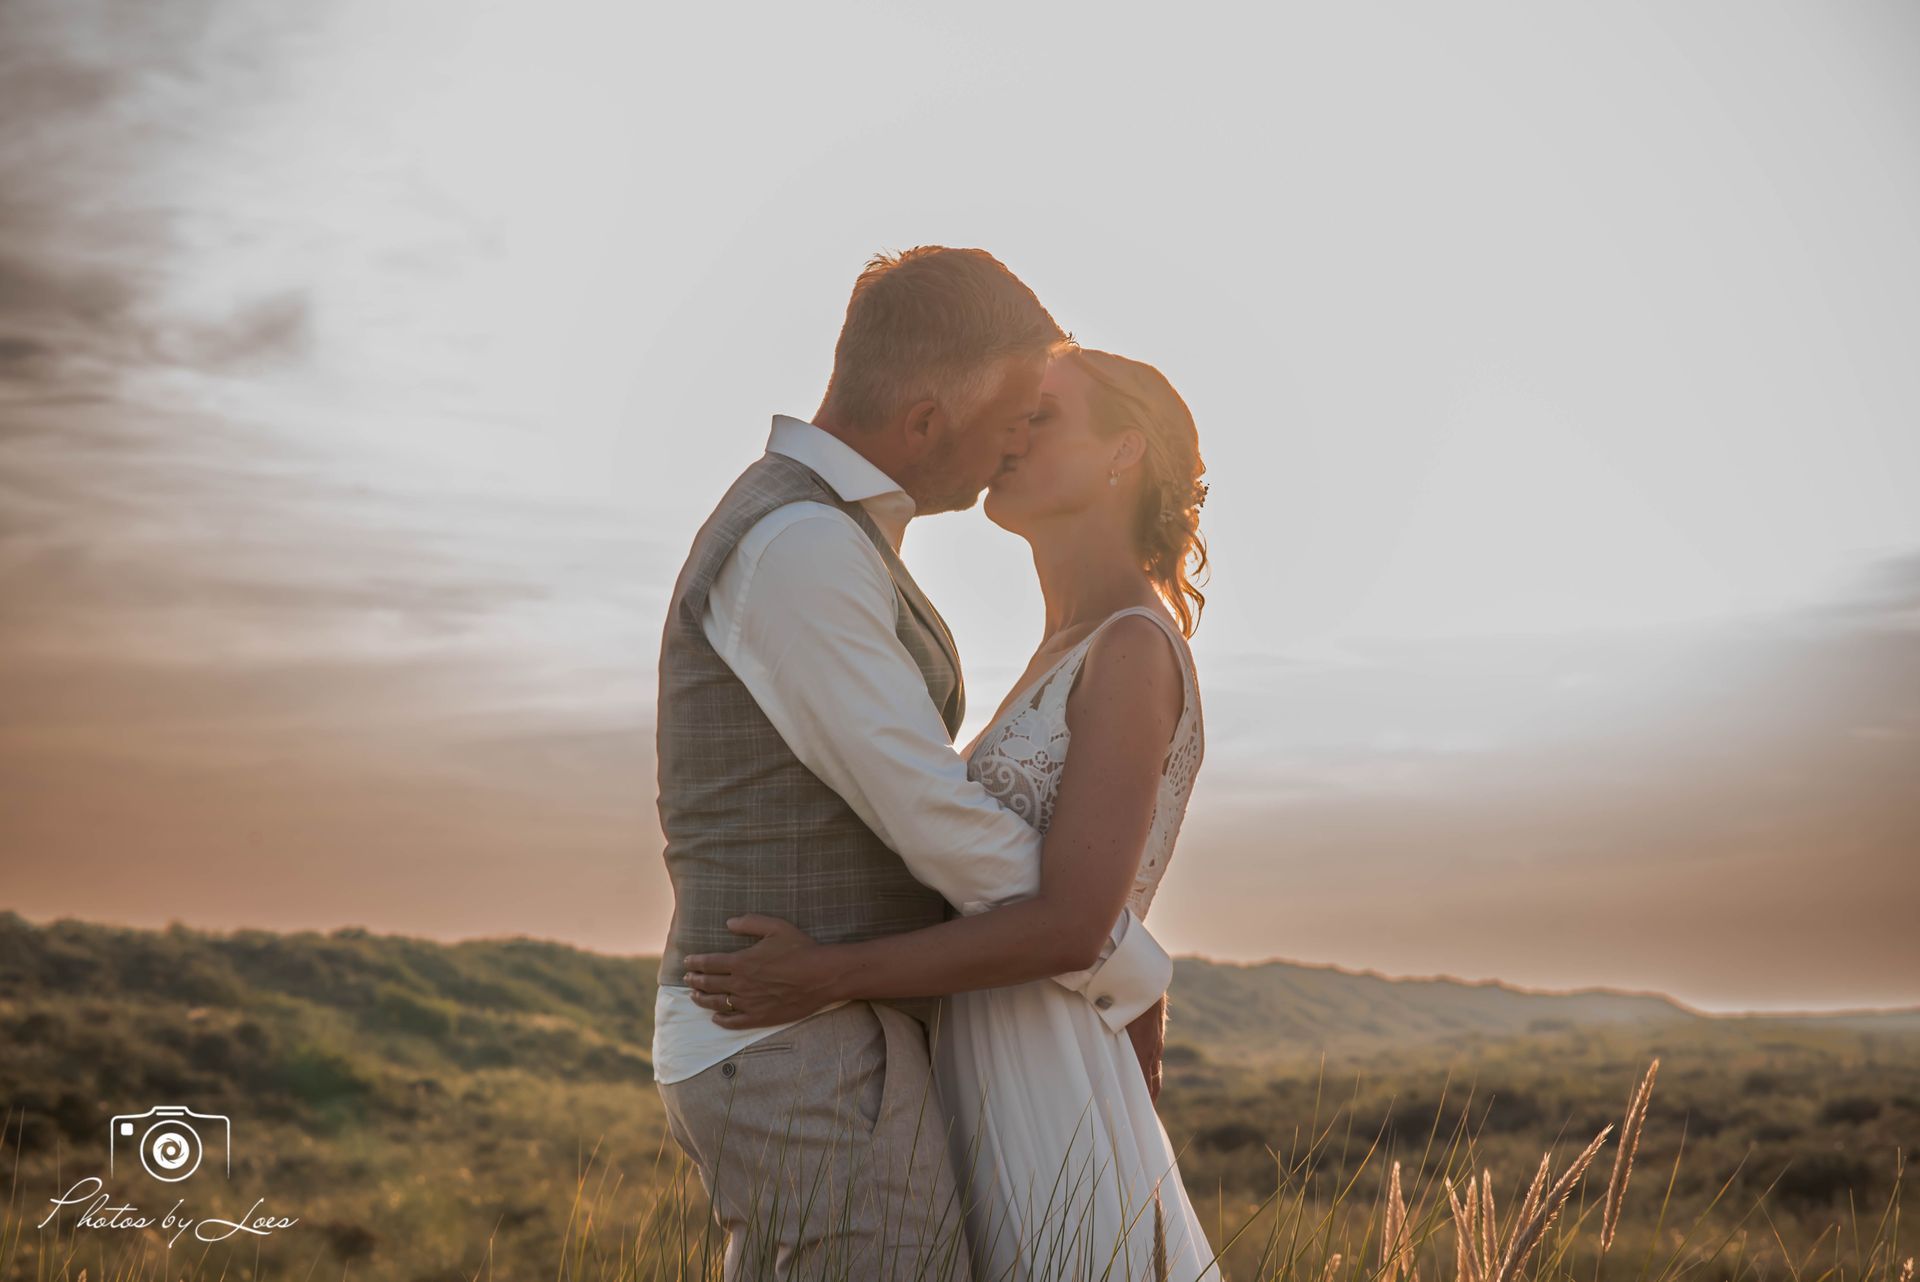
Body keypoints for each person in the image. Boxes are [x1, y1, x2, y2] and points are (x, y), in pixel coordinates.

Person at [652, 246, 1178, 1281]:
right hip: (793, 1038)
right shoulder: (802, 543)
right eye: (1014, 413)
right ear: (930, 420)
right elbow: (921, 805)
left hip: (829, 1034)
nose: (1012, 444)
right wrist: (1116, 953)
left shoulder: (828, 535)